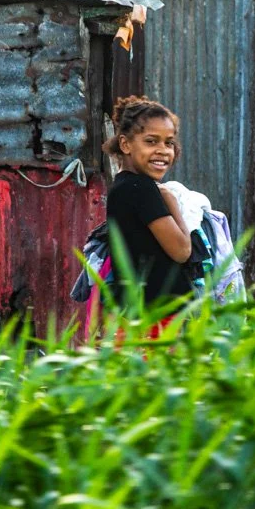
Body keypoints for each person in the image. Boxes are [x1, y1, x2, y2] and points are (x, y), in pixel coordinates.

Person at [98, 95, 194, 338]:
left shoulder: (123, 187)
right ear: (126, 144)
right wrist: (171, 201)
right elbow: (181, 251)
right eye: (151, 141)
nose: (162, 151)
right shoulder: (141, 189)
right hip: (153, 317)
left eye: (169, 143)